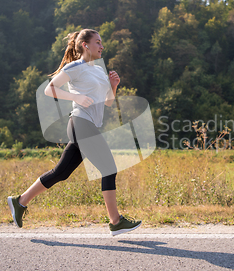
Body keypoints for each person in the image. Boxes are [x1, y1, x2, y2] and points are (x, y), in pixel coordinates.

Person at [7, 28, 141, 236]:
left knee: (61, 173)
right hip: (80, 122)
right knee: (109, 168)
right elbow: (49, 89)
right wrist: (76, 98)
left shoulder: (98, 70)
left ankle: (20, 201)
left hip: (88, 126)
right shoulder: (75, 67)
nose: (101, 45)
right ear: (85, 45)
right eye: (97, 42)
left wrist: (113, 86)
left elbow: (107, 103)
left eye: (101, 42)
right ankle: (115, 221)